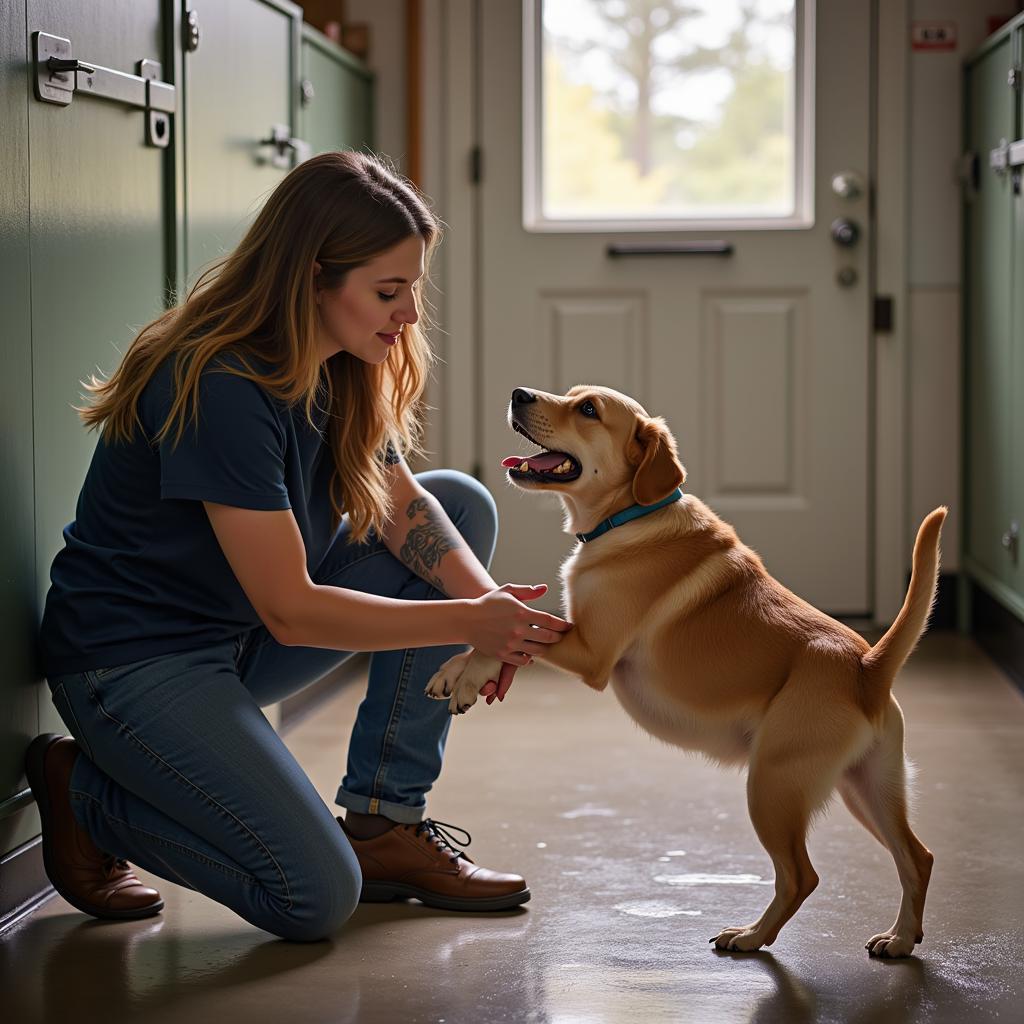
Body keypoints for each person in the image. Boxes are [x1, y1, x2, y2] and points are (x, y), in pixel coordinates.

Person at [25, 150, 572, 942]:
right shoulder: (222, 383)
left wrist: (482, 607)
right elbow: (291, 610)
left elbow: (401, 503)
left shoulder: (339, 363)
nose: (409, 314)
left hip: (233, 637)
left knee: (458, 502)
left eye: (413, 287)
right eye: (389, 292)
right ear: (314, 278)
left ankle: (384, 823)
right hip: (135, 662)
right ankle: (85, 796)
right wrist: (471, 621)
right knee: (312, 896)